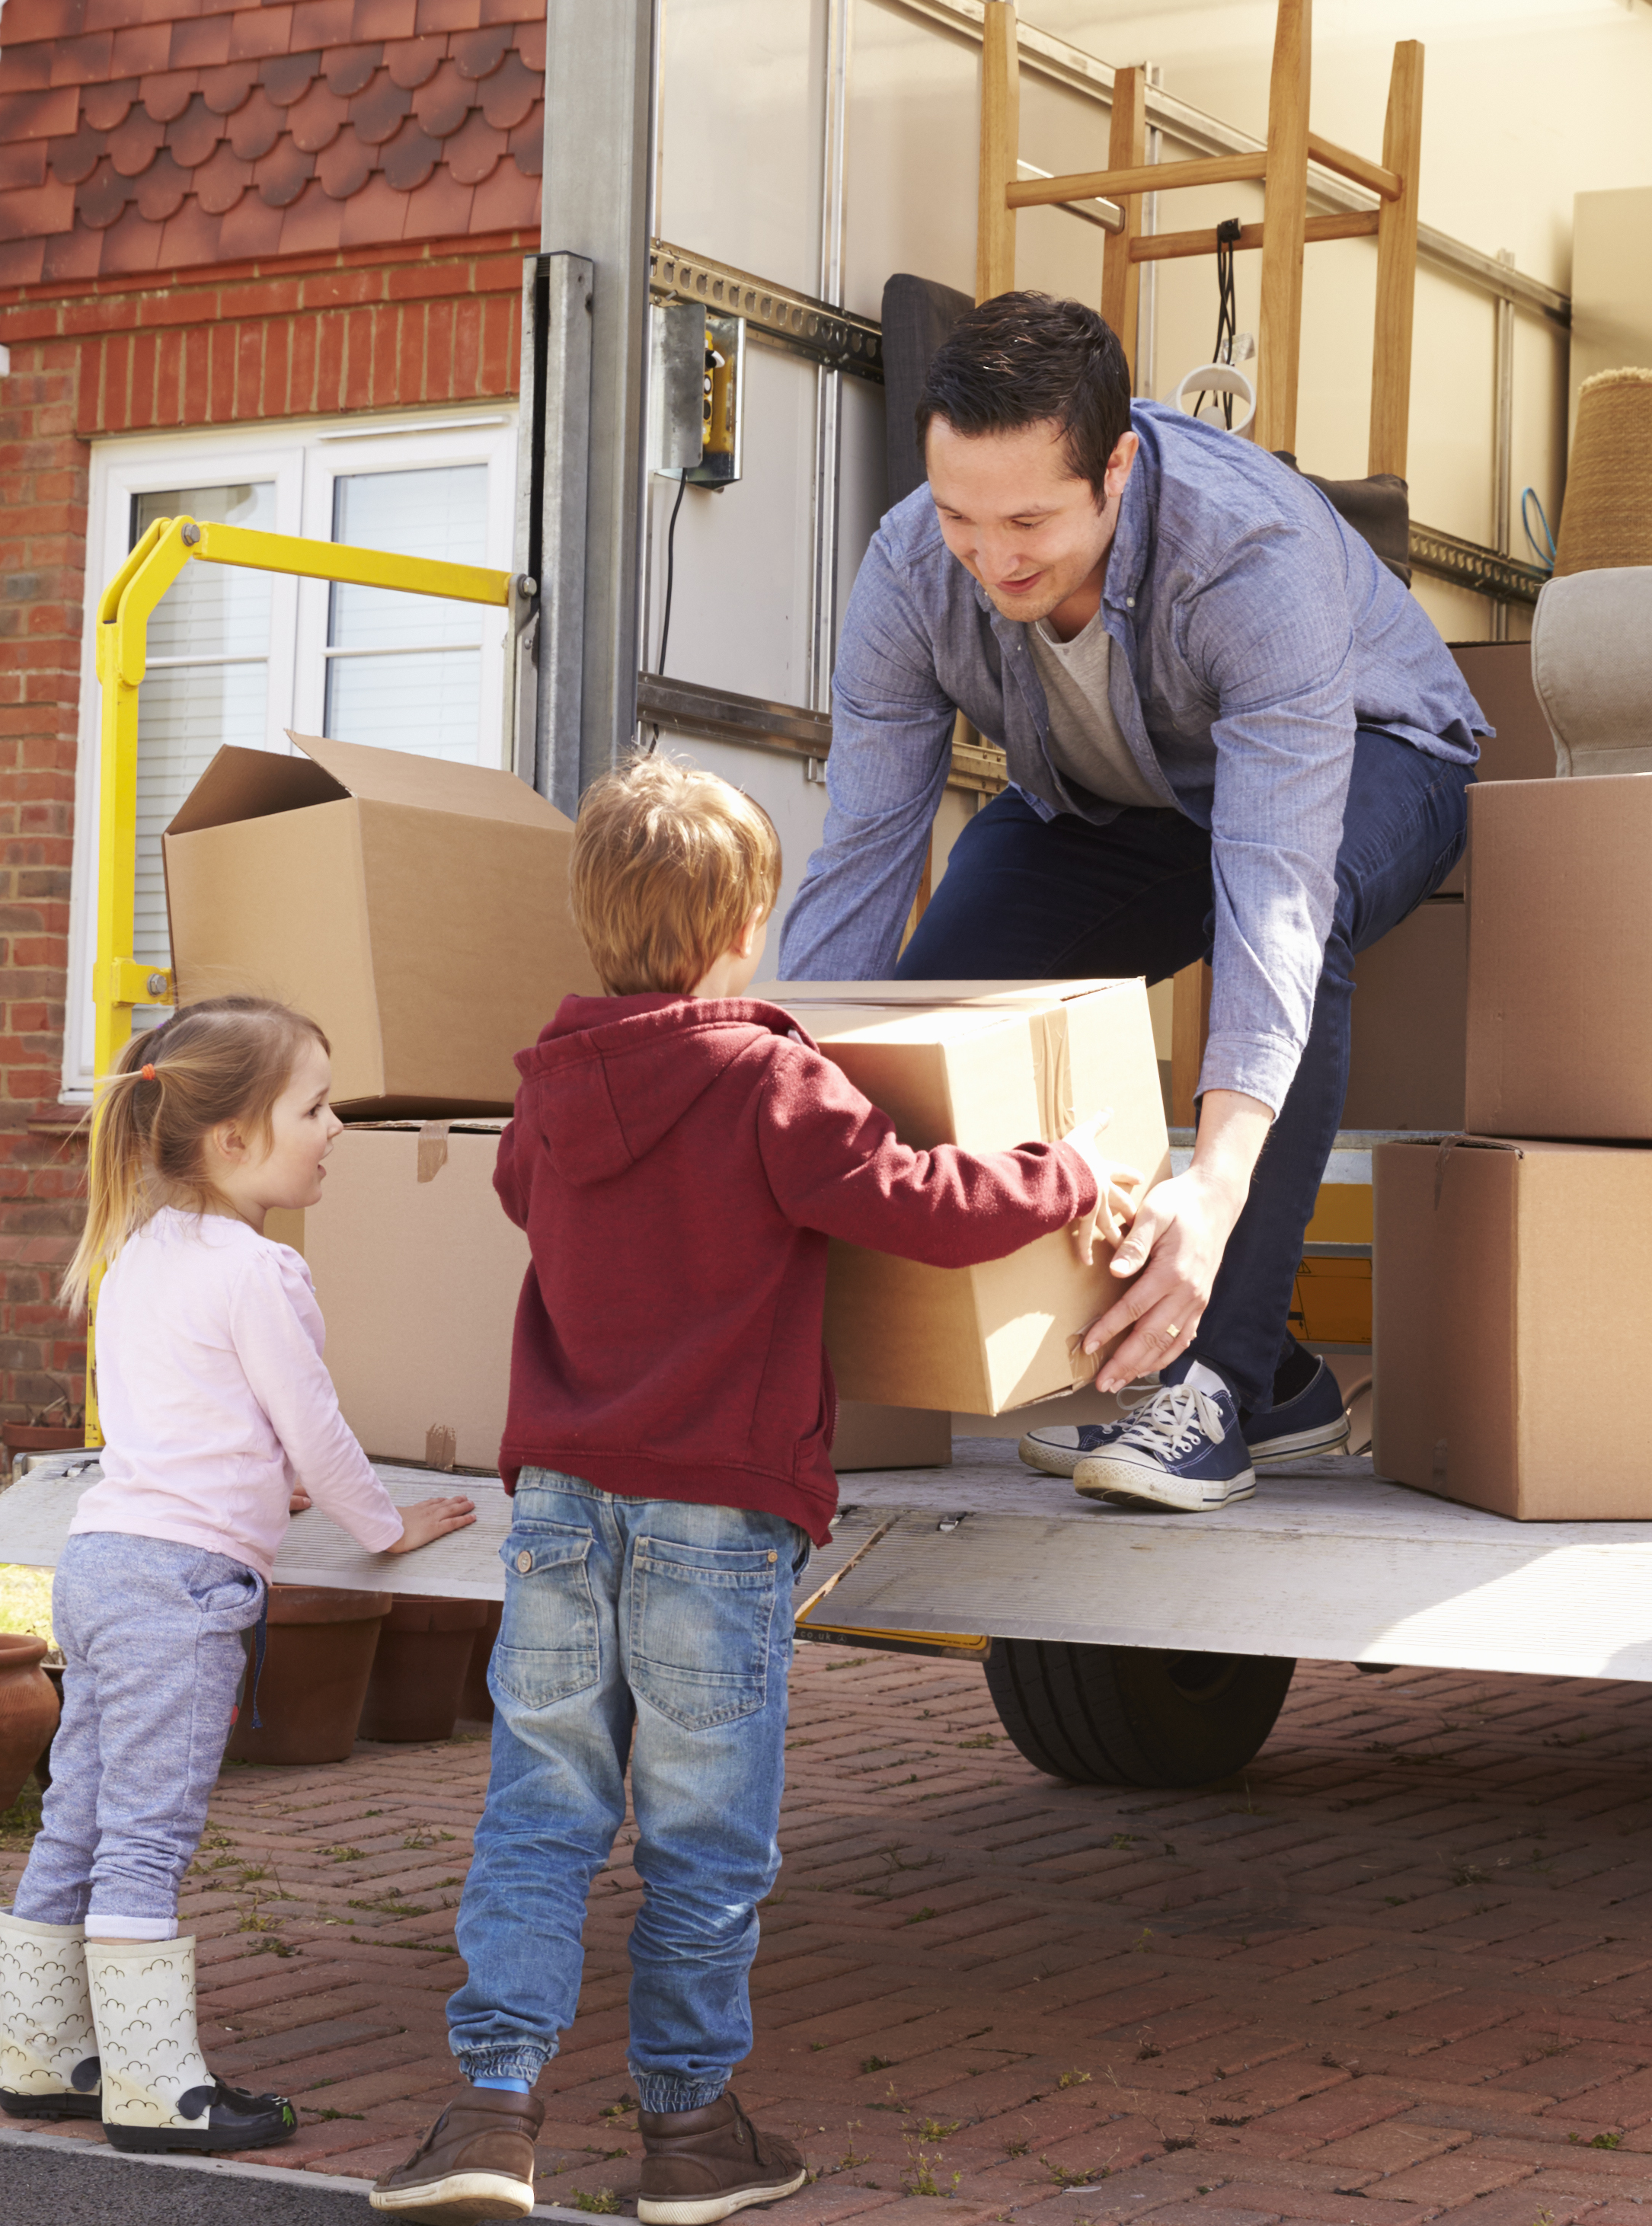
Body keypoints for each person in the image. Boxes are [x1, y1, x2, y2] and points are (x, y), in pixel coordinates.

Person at [372, 755, 1123, 2226]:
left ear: (593, 921)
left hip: (560, 1508)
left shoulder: (552, 1087)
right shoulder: (770, 1078)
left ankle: (489, 2112)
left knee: (540, 1808)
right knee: (703, 1836)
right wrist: (1071, 1171)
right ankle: (691, 2133)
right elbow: (917, 1207)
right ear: (745, 926)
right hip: (717, 1514)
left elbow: (523, 1191)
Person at [778, 292, 1483, 1515]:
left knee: (1291, 942)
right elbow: (862, 857)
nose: (992, 557)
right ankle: (1269, 1376)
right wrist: (766, 1095)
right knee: (935, 1001)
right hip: (1118, 804)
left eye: (1028, 522)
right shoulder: (906, 565)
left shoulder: (1248, 556)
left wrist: (1207, 1191)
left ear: (1115, 467)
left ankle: (1216, 1380)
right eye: (959, 516)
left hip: (1375, 761)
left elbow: (1269, 898)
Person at [0, 998, 477, 2153]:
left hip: (103, 1563)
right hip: (182, 1592)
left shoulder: (135, 1252)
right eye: (313, 1107)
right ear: (231, 1140)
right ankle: (157, 2089)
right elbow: (316, 1430)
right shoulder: (259, 1273)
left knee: (82, 1814)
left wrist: (261, 1481)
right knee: (149, 1836)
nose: (334, 1129)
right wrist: (384, 1526)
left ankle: (43, 2052)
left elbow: (186, 1422)